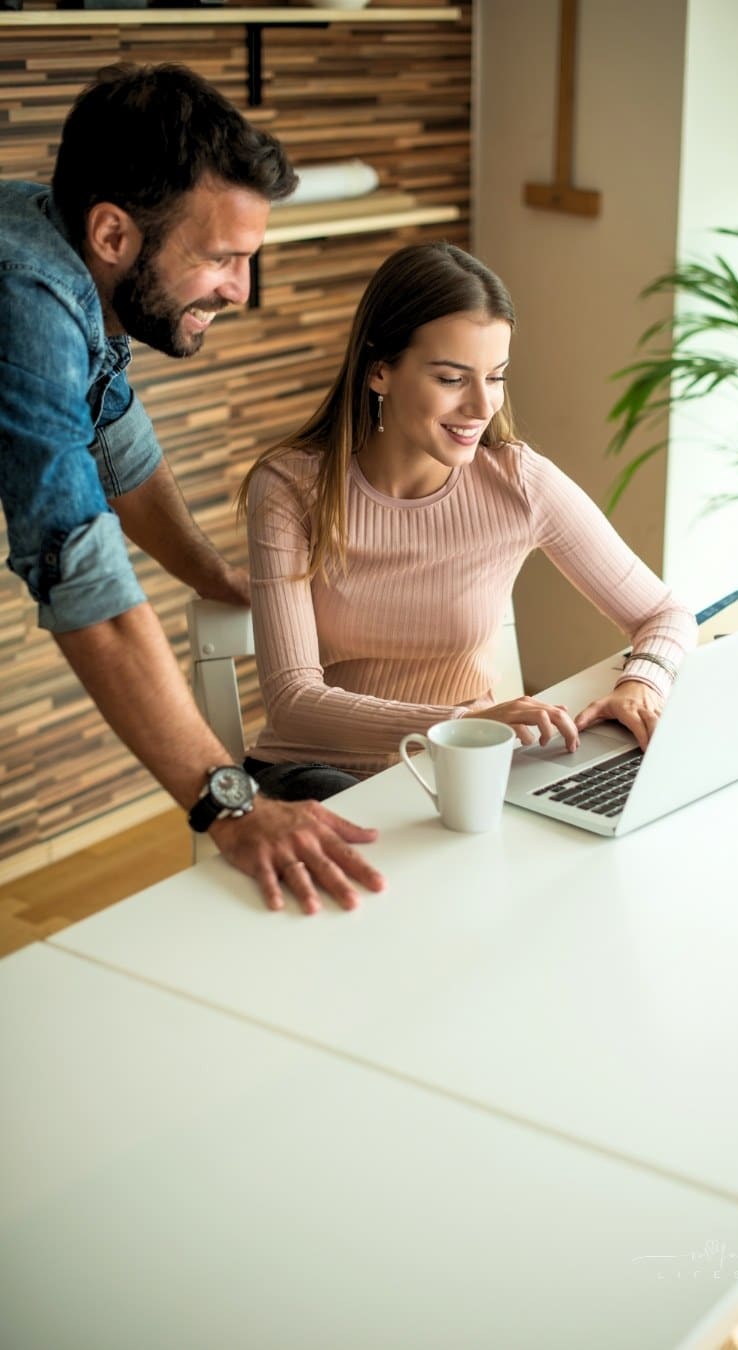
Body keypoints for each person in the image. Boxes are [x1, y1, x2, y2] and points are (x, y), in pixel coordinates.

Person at [0, 63, 385, 915]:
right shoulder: (25, 294)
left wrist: (212, 575)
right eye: (221, 258)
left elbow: (117, 442)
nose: (240, 291)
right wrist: (228, 804)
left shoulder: (62, 246)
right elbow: (79, 574)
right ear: (114, 236)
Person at [239, 241, 698, 796]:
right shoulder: (290, 487)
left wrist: (641, 683)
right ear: (380, 369)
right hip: (319, 775)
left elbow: (665, 613)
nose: (483, 407)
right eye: (452, 379)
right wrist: (461, 726)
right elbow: (293, 704)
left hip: (466, 771)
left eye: (496, 376)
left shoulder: (518, 482)